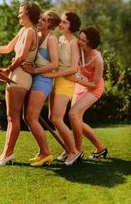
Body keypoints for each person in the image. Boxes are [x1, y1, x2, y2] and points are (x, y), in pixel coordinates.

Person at [0, 2, 40, 165]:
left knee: (13, 118)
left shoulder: (31, 32)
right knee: (12, 117)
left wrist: (6, 70)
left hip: (20, 78)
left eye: (21, 13)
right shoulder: (23, 31)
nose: (18, 15)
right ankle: (6, 154)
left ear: (28, 14)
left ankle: (7, 154)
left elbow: (21, 57)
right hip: (17, 76)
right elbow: (7, 48)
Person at [21, 10, 60, 167]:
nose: (39, 20)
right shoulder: (37, 35)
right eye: (41, 18)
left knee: (32, 117)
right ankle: (41, 151)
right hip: (34, 78)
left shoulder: (51, 39)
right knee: (27, 117)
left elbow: (55, 64)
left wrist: (34, 71)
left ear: (50, 24)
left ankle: (46, 153)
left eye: (43, 20)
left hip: (43, 80)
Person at [43, 11, 82, 166]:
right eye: (60, 22)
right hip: (55, 80)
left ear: (72, 25)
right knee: (52, 117)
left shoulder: (74, 42)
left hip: (66, 82)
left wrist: (53, 74)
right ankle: (67, 149)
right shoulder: (59, 39)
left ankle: (74, 151)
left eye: (64, 22)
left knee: (57, 118)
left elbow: (73, 68)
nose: (60, 24)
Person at [68, 27, 108, 159]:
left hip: (93, 88)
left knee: (73, 114)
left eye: (83, 40)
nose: (79, 42)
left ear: (91, 43)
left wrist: (77, 80)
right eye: (79, 38)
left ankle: (77, 151)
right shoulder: (77, 49)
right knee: (76, 119)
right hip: (80, 85)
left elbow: (95, 84)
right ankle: (100, 149)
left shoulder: (98, 59)